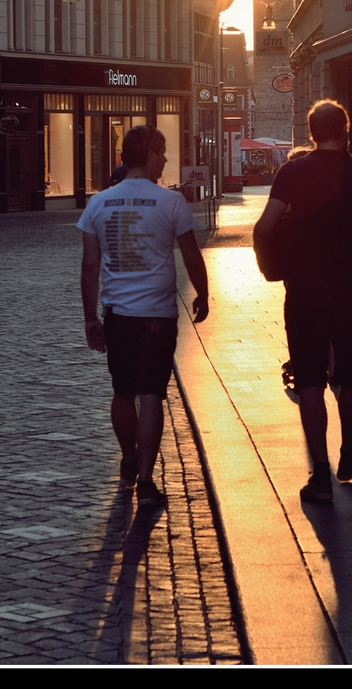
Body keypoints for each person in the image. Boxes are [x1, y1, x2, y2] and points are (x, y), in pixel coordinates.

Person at [253, 100, 352, 504]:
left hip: (304, 290)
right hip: (351, 288)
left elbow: (263, 227)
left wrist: (270, 268)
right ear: (346, 129)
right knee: (351, 375)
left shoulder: (291, 172)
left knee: (310, 381)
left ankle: (319, 474)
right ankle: (349, 451)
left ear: (312, 132)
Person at [78, 124, 209, 509]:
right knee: (152, 393)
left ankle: (129, 461)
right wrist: (203, 293)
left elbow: (89, 265)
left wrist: (90, 318)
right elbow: (190, 254)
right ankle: (148, 480)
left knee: (122, 391)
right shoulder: (171, 203)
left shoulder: (99, 203)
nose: (166, 159)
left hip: (118, 313)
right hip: (158, 315)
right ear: (148, 155)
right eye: (162, 152)